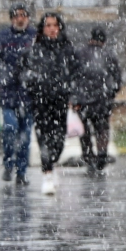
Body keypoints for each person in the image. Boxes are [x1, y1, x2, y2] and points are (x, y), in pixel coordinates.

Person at [21, 12, 78, 195]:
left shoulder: (67, 49)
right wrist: (33, 83)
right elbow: (24, 72)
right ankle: (47, 173)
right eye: (48, 25)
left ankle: (51, 164)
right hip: (41, 101)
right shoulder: (35, 49)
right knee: (43, 137)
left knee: (59, 141)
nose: (52, 29)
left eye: (55, 25)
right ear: (42, 28)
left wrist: (73, 96)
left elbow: (76, 74)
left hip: (60, 101)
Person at [0, 4, 35, 184]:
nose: (21, 18)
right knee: (10, 129)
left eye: (24, 15)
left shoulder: (35, 37)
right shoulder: (1, 38)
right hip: (8, 94)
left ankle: (21, 171)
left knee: (25, 136)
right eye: (17, 15)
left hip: (28, 95)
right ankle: (9, 162)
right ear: (12, 18)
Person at [72, 25, 123, 176]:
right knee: (102, 128)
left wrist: (75, 97)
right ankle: (101, 154)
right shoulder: (109, 55)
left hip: (83, 100)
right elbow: (117, 79)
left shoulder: (80, 54)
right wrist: (111, 93)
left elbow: (72, 76)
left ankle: (89, 157)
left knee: (85, 130)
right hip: (103, 99)